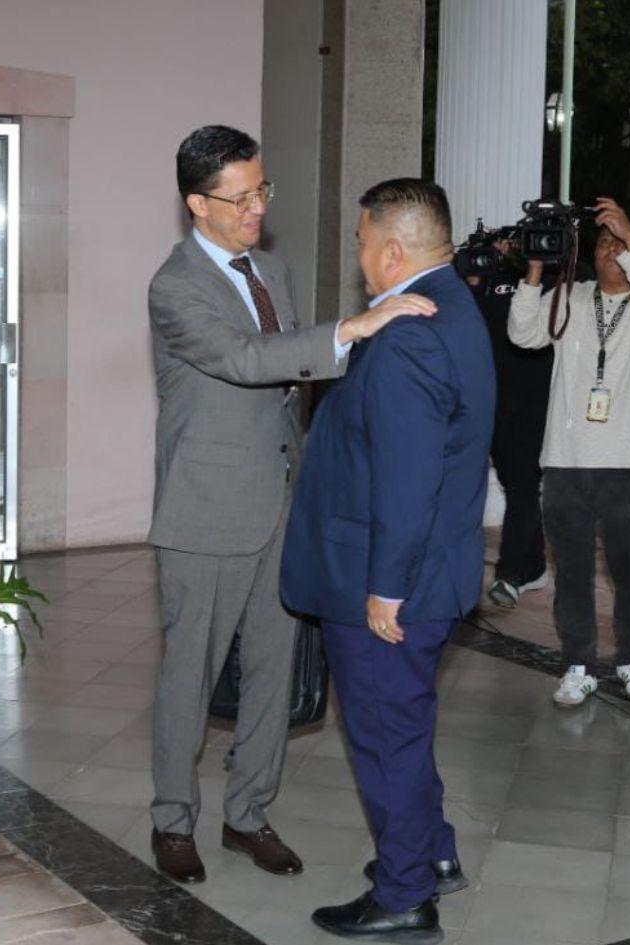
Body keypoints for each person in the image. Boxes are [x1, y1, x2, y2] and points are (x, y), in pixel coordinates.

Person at [146, 126, 434, 885]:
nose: (257, 208)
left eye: (261, 190)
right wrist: (351, 328)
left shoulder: (271, 269)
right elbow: (246, 359)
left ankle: (248, 813)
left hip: (281, 500)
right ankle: (173, 819)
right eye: (239, 197)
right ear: (197, 204)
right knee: (189, 677)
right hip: (206, 508)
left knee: (276, 671)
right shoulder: (175, 286)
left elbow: (290, 392)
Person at [280, 178, 495, 943]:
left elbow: (408, 479)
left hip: (394, 578)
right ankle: (432, 854)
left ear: (394, 250)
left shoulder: (409, 335)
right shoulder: (452, 306)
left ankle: (405, 893)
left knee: (384, 735)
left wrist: (385, 590)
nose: (361, 256)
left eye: (363, 242)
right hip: (430, 569)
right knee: (404, 723)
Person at [507, 198, 630, 708]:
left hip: (627, 465)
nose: (612, 250)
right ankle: (577, 664)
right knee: (572, 573)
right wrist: (534, 271)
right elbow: (522, 333)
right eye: (605, 242)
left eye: (621, 243)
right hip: (565, 462)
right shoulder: (571, 297)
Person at [466, 249, 554, 609]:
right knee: (515, 482)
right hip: (492, 399)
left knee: (522, 485)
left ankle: (510, 573)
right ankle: (534, 566)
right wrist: (475, 281)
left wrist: (536, 268)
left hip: (536, 400)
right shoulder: (485, 277)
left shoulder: (558, 276)